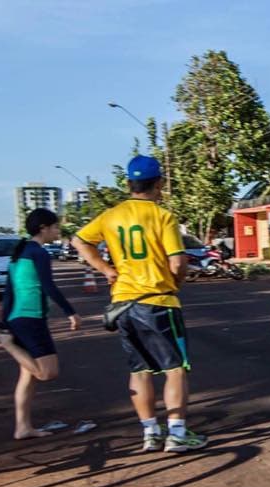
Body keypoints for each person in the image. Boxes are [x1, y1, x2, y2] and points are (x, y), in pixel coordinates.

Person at [73, 155, 206, 454]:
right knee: (175, 369)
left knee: (140, 369)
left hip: (123, 304)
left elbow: (79, 241)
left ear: (129, 184)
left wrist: (107, 270)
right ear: (158, 183)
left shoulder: (111, 215)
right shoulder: (163, 216)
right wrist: (177, 283)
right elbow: (178, 261)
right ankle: (177, 434)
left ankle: (150, 433)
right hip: (158, 302)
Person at [0, 208, 81, 440]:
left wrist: (5, 322)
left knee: (28, 375)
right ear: (43, 228)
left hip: (18, 318)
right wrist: (70, 312)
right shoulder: (38, 253)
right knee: (47, 373)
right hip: (30, 319)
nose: (57, 231)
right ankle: (6, 345)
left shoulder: (20, 251)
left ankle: (22, 427)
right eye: (55, 227)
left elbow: (8, 292)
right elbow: (48, 285)